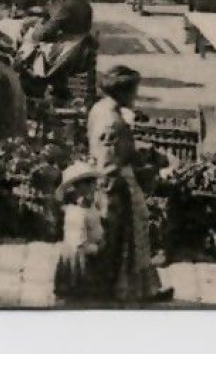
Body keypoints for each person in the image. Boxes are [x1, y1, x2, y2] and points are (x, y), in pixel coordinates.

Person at [88, 65, 169, 303]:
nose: (135, 97)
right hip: (115, 183)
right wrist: (145, 164)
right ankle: (124, 290)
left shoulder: (99, 108)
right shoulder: (115, 123)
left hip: (102, 177)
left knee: (115, 238)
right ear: (123, 93)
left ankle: (127, 288)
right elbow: (112, 159)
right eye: (134, 91)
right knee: (126, 238)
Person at [54, 162, 105, 304]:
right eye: (89, 184)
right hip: (81, 257)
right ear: (78, 188)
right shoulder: (77, 213)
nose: (94, 187)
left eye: (93, 183)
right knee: (81, 292)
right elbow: (78, 243)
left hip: (90, 249)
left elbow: (95, 224)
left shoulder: (90, 206)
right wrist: (98, 248)